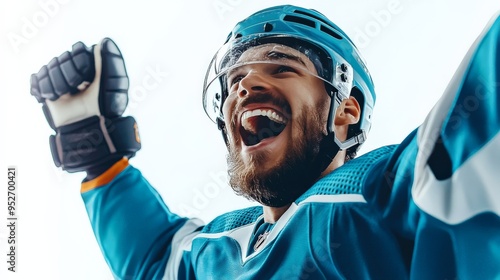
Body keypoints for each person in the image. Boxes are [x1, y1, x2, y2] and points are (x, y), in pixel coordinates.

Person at [30, 5, 500, 280]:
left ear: (346, 111)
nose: (245, 85)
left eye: (281, 64)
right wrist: (96, 153)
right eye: (234, 78)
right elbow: (155, 259)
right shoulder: (218, 249)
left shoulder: (381, 192)